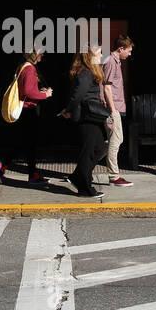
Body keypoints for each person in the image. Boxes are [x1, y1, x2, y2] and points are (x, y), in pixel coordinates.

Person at [0, 49, 53, 185]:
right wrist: (45, 94)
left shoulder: (23, 66)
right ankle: (2, 164)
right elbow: (28, 91)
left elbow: (27, 89)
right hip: (29, 111)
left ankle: (31, 174)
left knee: (28, 144)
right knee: (26, 143)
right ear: (34, 53)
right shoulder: (30, 68)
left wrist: (38, 91)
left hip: (26, 110)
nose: (42, 54)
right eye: (40, 52)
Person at [62, 46, 113, 199]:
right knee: (89, 151)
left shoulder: (90, 71)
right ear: (90, 55)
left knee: (99, 147)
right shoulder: (86, 72)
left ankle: (78, 176)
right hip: (86, 116)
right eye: (99, 52)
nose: (102, 54)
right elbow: (78, 94)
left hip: (92, 116)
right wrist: (69, 109)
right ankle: (84, 187)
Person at [101, 33, 135, 187]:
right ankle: (114, 176)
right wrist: (113, 110)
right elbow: (106, 87)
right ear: (121, 49)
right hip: (111, 108)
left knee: (113, 141)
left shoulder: (116, 62)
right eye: (128, 51)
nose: (129, 54)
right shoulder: (110, 61)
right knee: (115, 140)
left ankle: (83, 168)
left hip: (115, 107)